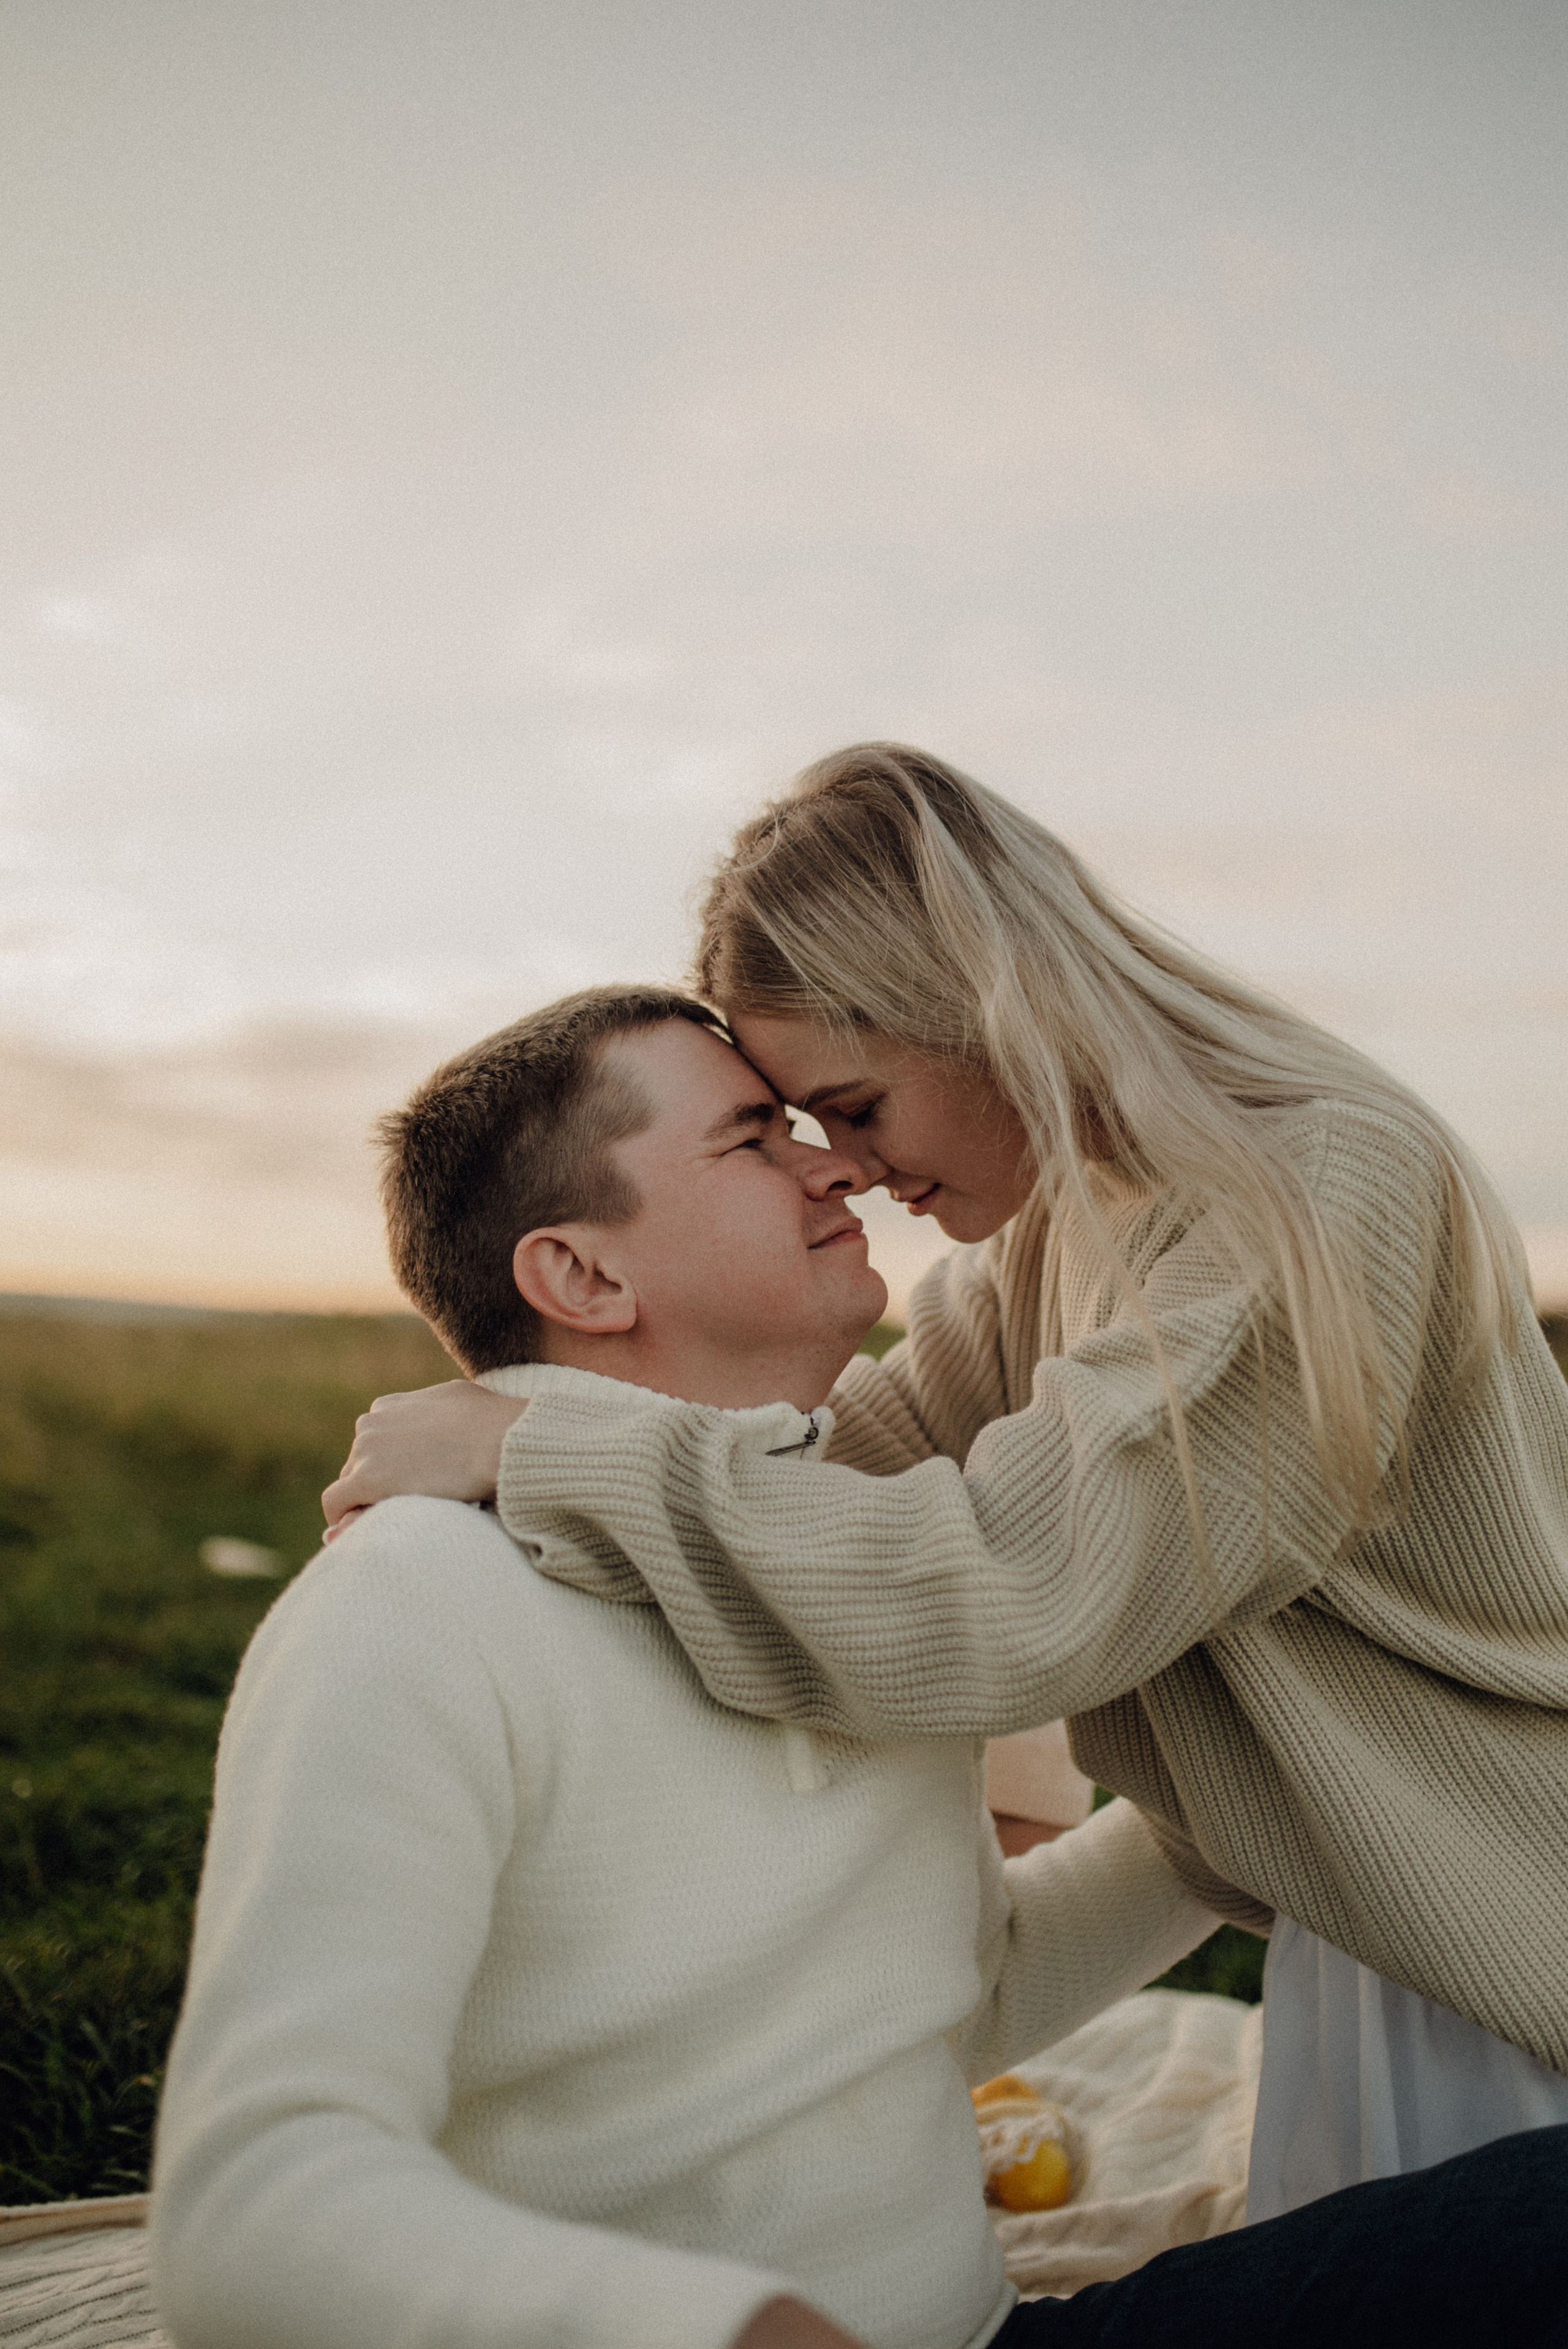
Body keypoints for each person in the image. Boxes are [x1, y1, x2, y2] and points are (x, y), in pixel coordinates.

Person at [157, 984, 1568, 2349]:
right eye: (751, 1139)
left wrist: (1278, 1774)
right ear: (581, 1272)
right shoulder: (415, 1601)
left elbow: (956, 1991)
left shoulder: (845, 1558)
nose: (832, 1165)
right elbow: (249, 2205)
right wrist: (724, 2332)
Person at [324, 745, 1568, 2225]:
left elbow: (1010, 1595)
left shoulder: (1305, 1187)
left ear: (991, 1010)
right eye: (795, 1129)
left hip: (1505, 1907)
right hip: (1375, 1902)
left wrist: (541, 1448)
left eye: (854, 1105)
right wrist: (511, 1434)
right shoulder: (1056, 1234)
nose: (843, 1168)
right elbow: (857, 1448)